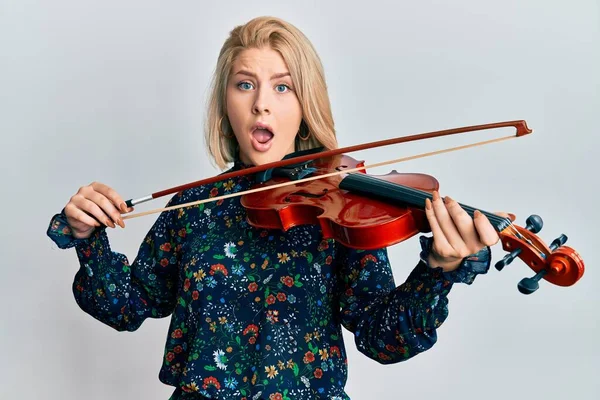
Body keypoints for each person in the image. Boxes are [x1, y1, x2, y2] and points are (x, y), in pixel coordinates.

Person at [46, 16, 499, 400]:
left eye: (283, 88)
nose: (261, 102)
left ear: (305, 106)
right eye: (246, 84)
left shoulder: (340, 207)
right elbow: (126, 307)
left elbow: (382, 339)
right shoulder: (192, 206)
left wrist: (437, 272)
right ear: (226, 104)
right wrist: (88, 240)